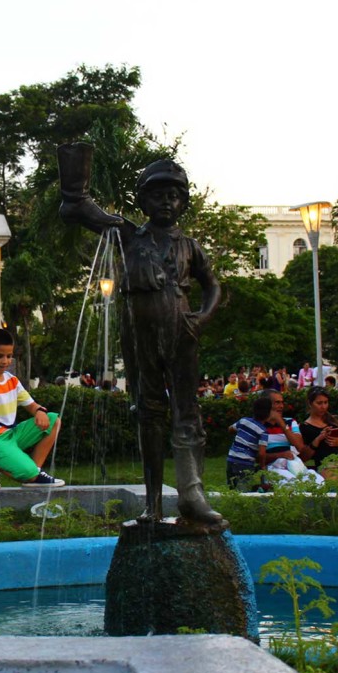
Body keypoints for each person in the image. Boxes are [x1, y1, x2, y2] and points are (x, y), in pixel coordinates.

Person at [58, 145, 220, 523]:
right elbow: (75, 208)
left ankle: (191, 494)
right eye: (157, 195)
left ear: (183, 203)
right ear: (143, 201)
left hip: (182, 331)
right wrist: (75, 173)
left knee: (186, 411)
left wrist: (202, 317)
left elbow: (212, 286)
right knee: (148, 413)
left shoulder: (189, 247)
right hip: (140, 334)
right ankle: (152, 503)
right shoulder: (127, 234)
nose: (166, 202)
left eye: (174, 196)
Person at [0, 326, 64, 491]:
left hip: (11, 434)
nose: (5, 361)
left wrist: (40, 412)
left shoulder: (12, 380)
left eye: (9, 356)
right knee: (27, 472)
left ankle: (34, 472)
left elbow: (31, 405)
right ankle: (25, 473)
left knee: (54, 420)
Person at [299, 387, 338, 477]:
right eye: (319, 403)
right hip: (327, 465)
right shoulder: (305, 427)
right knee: (336, 481)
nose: (323, 407)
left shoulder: (335, 420)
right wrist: (318, 440)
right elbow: (304, 457)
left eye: (325, 402)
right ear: (310, 403)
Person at [225, 395, 272, 489]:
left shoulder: (244, 421)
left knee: (232, 487)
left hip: (231, 459)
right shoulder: (263, 431)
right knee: (243, 489)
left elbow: (230, 429)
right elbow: (262, 453)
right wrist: (262, 466)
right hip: (245, 463)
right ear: (268, 414)